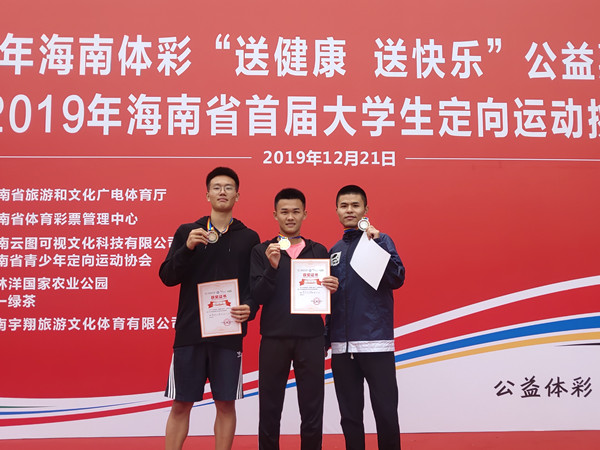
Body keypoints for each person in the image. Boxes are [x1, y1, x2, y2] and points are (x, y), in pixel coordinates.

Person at [159, 167, 260, 450]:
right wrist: (187, 248)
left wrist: (250, 307)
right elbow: (167, 276)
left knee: (226, 403)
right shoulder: (188, 232)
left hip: (228, 333)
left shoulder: (249, 237)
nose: (222, 192)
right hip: (190, 333)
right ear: (207, 195)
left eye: (228, 187)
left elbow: (253, 285)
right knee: (181, 403)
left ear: (237, 195)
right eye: (216, 187)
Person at [249, 188, 338, 450]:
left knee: (312, 408)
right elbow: (258, 296)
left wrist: (333, 287)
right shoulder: (262, 251)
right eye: (284, 212)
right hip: (273, 337)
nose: (290, 217)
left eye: (296, 212)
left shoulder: (318, 250)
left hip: (311, 337)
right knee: (269, 407)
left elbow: (328, 299)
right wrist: (272, 267)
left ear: (305, 214)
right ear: (275, 215)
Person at [327, 185, 405, 450]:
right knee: (349, 417)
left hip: (376, 343)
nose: (349, 210)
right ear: (337, 211)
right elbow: (331, 301)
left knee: (385, 413)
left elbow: (397, 278)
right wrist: (326, 338)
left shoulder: (380, 241)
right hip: (341, 347)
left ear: (365, 209)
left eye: (355, 205)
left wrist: (377, 244)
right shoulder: (333, 251)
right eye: (344, 206)